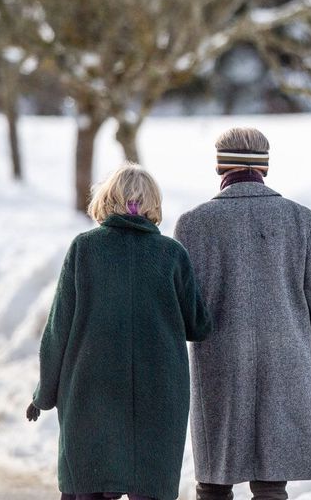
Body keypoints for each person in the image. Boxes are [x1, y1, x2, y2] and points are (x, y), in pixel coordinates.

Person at [27, 163, 214, 500]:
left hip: (91, 391)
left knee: (90, 485)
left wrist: (44, 394)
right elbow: (199, 325)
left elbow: (58, 329)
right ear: (153, 204)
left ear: (107, 200)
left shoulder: (84, 250)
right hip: (158, 394)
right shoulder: (172, 255)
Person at [175, 127, 311, 500]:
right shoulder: (300, 219)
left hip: (219, 362)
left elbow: (181, 305)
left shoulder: (194, 223)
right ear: (265, 164)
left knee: (214, 482)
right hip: (288, 361)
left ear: (221, 167)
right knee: (271, 482)